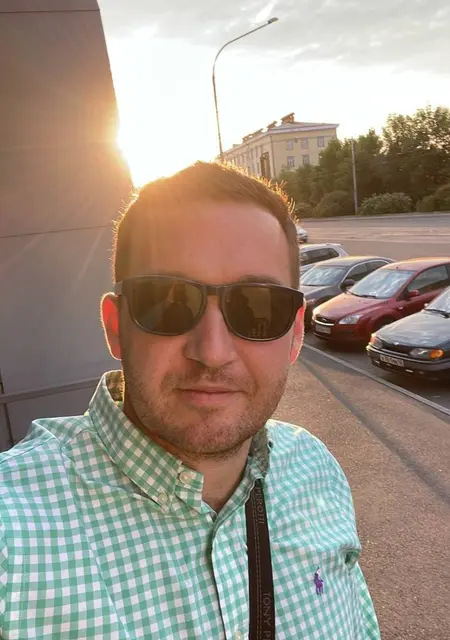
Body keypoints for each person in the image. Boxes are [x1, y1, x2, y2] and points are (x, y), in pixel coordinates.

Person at [0, 162, 380, 639]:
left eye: (258, 307)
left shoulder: (315, 470)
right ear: (115, 328)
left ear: (295, 333)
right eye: (167, 302)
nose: (212, 352)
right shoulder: (14, 531)